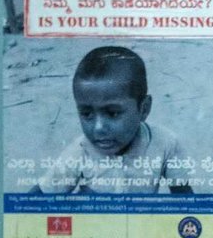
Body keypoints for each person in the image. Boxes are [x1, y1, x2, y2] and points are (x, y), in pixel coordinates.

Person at [36, 46, 193, 195]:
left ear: (144, 109)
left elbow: (184, 197)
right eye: (86, 114)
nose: (98, 128)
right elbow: (41, 194)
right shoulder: (79, 152)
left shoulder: (165, 144)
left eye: (112, 113)